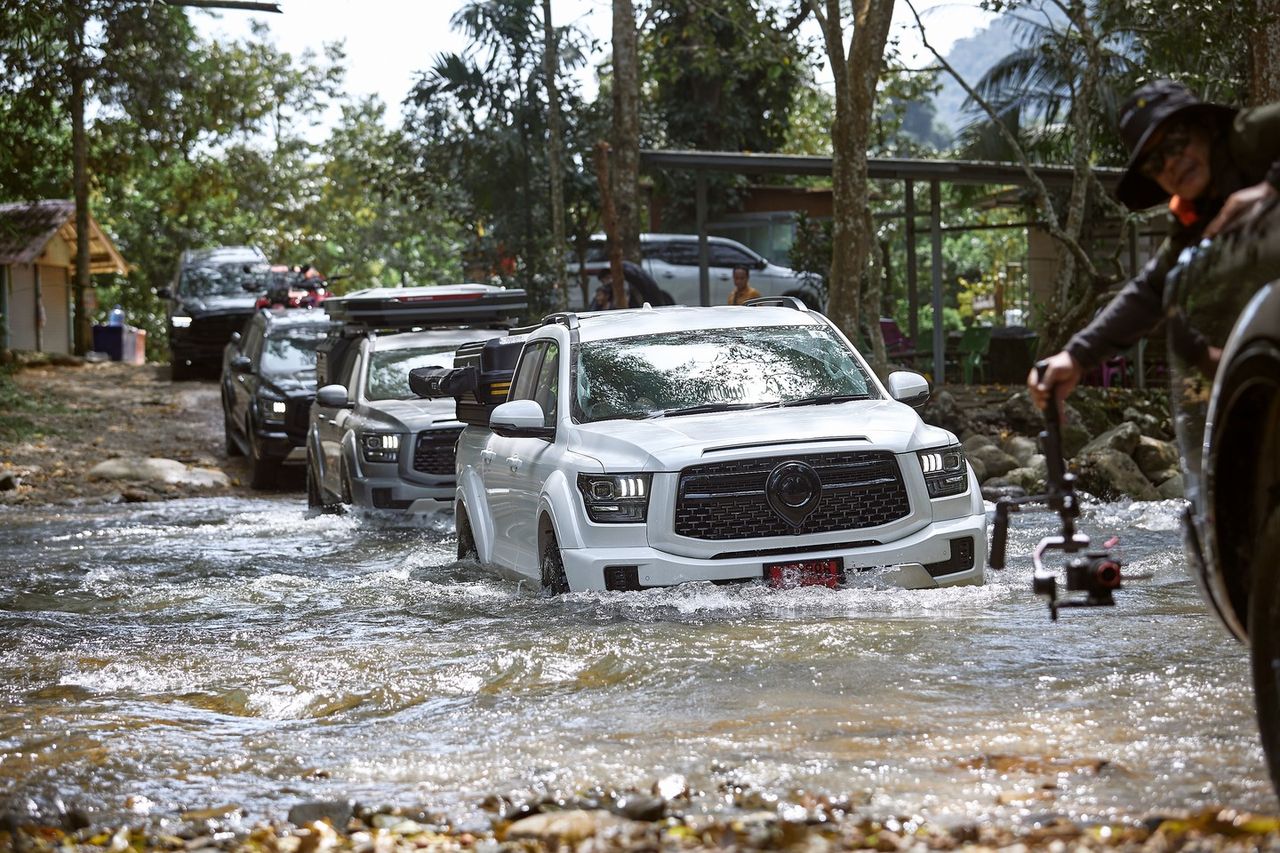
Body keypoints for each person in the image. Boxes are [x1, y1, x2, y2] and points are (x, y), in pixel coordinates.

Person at [1029, 80, 1280, 412]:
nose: (1171, 164)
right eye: (1155, 163)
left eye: (1175, 144)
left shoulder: (1251, 136)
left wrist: (1272, 187)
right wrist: (1075, 356)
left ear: (1204, 127)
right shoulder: (1193, 219)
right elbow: (1151, 290)